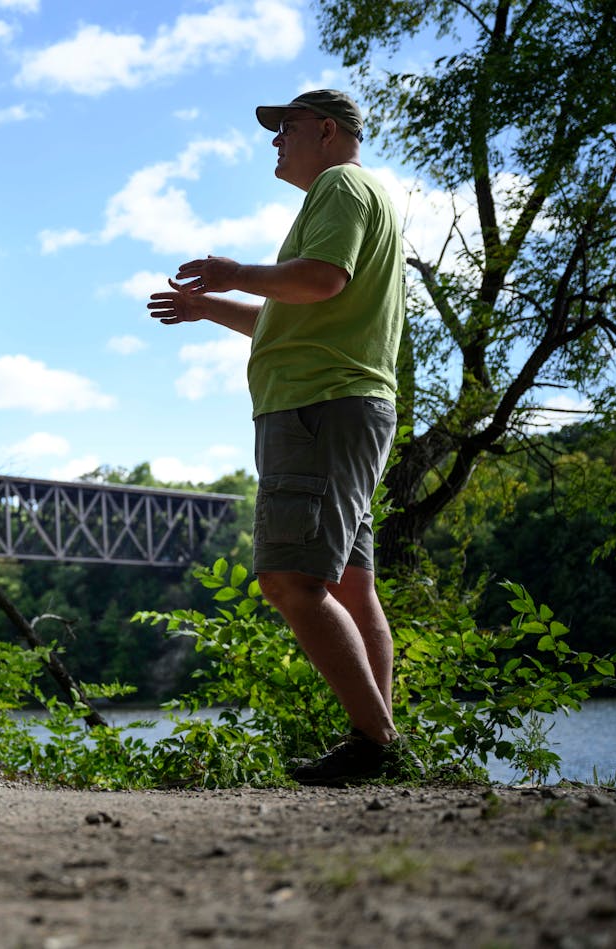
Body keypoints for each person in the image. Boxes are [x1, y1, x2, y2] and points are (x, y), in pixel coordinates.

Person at [148, 90, 418, 786]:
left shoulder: (340, 185)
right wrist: (214, 306)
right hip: (343, 410)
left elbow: (322, 280)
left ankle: (376, 740)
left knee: (289, 580)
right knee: (354, 587)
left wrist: (235, 271)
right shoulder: (356, 194)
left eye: (286, 129)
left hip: (319, 412)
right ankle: (377, 742)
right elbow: (295, 313)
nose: (275, 142)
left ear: (327, 132)